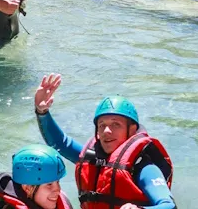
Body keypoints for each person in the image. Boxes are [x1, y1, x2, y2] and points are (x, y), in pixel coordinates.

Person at [33, 74, 175, 209]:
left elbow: (168, 204)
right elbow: (60, 144)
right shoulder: (91, 158)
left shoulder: (143, 167)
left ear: (132, 130)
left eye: (115, 125)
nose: (107, 131)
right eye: (102, 125)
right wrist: (42, 112)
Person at [0, 145, 74, 209]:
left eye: (57, 182)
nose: (57, 190)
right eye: (49, 184)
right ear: (28, 188)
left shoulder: (60, 200)